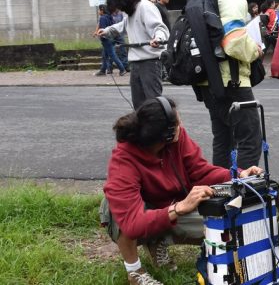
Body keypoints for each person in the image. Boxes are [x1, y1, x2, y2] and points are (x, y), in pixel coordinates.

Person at [101, 97, 264, 285]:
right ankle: (135, 272)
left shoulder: (178, 139)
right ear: (166, 135)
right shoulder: (123, 160)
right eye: (178, 123)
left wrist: (238, 174)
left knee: (226, 223)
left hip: (169, 206)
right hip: (152, 210)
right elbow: (131, 224)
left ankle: (157, 240)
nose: (182, 125)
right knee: (114, 206)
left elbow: (200, 170)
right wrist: (179, 208)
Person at [196, 0, 264, 170]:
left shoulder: (209, 0)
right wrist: (256, 50)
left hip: (209, 82)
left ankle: (223, 193)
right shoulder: (235, 0)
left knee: (223, 140)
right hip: (233, 82)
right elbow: (234, 41)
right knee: (251, 140)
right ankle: (243, 194)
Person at [97, 0, 169, 109]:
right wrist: (107, 31)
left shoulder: (145, 7)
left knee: (153, 102)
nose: (120, 10)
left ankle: (158, 126)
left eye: (120, 7)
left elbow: (159, 28)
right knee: (138, 104)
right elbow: (122, 25)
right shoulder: (130, 13)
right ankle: (142, 127)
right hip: (135, 63)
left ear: (124, 1)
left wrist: (158, 38)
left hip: (149, 62)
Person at [93, 4, 127, 76]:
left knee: (112, 55)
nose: (98, 11)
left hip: (106, 39)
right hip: (112, 38)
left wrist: (99, 34)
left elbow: (103, 29)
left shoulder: (102, 18)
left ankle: (122, 69)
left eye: (99, 10)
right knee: (104, 55)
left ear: (102, 10)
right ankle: (102, 70)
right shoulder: (110, 17)